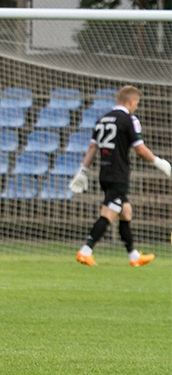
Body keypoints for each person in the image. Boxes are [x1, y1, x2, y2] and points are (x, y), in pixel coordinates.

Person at [70, 85, 170, 267]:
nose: (136, 107)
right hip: (118, 174)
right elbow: (140, 149)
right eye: (136, 104)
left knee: (126, 211)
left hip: (105, 172)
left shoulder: (102, 119)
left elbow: (93, 148)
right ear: (131, 101)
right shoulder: (127, 120)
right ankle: (86, 251)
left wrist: (83, 170)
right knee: (108, 213)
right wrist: (159, 162)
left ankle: (133, 256)